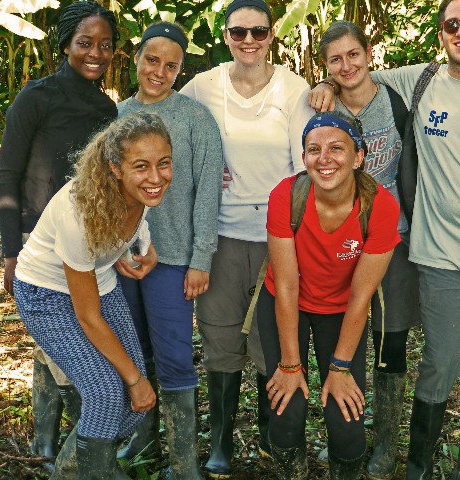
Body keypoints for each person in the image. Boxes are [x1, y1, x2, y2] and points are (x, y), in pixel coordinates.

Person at [311, 1, 460, 479]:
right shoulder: (418, 83)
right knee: (438, 364)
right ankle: (417, 466)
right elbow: (357, 75)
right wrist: (325, 83)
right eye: (451, 24)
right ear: (440, 32)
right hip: (437, 253)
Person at [180, 0, 313, 477]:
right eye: (239, 33)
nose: (249, 41)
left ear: (272, 34)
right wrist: (196, 173)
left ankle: (266, 435)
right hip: (218, 235)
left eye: (259, 32)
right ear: (226, 35)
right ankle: (220, 439)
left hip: (275, 236)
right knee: (218, 335)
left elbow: (306, 166)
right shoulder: (204, 87)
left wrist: (296, 235)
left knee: (268, 339)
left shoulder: (293, 89)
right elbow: (176, 130)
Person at [13, 111, 171, 478]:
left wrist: (145, 248)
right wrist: (134, 378)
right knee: (107, 393)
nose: (156, 177)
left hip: (98, 282)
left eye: (164, 164)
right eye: (142, 166)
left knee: (133, 408)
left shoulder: (143, 190)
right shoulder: (79, 213)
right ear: (115, 168)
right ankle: (89, 470)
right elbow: (88, 316)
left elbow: (137, 220)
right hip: (45, 295)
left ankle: (80, 467)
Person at [0, 0, 118, 467]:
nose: (96, 53)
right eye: (85, 43)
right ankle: (47, 439)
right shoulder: (36, 97)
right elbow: (8, 176)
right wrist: (11, 252)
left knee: (73, 340)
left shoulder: (107, 110)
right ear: (66, 43)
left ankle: (74, 439)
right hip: (35, 241)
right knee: (50, 339)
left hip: (86, 244)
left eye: (105, 46)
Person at [258, 111, 400, 480]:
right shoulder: (286, 196)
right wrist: (290, 366)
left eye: (337, 148)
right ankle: (293, 470)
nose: (324, 158)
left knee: (346, 419)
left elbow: (360, 297)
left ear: (358, 156)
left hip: (341, 310)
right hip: (286, 302)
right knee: (287, 410)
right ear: (303, 157)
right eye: (313, 149)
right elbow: (287, 287)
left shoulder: (380, 207)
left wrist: (339, 368)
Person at [314, 21, 421, 479]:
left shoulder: (395, 97)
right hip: (339, 239)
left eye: (353, 55)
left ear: (369, 53)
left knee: (390, 340)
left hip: (392, 236)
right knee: (344, 337)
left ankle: (387, 444)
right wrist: (321, 87)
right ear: (325, 66)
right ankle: (347, 433)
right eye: (335, 60)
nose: (346, 66)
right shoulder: (321, 105)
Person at [116, 21, 222, 479]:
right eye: (152, 60)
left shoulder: (194, 118)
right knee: (132, 352)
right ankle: (143, 447)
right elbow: (105, 190)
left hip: (174, 259)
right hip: (120, 260)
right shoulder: (116, 115)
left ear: (181, 69)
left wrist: (201, 258)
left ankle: (184, 462)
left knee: (175, 356)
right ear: (136, 59)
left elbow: (207, 194)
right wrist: (111, 248)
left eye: (171, 64)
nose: (159, 71)